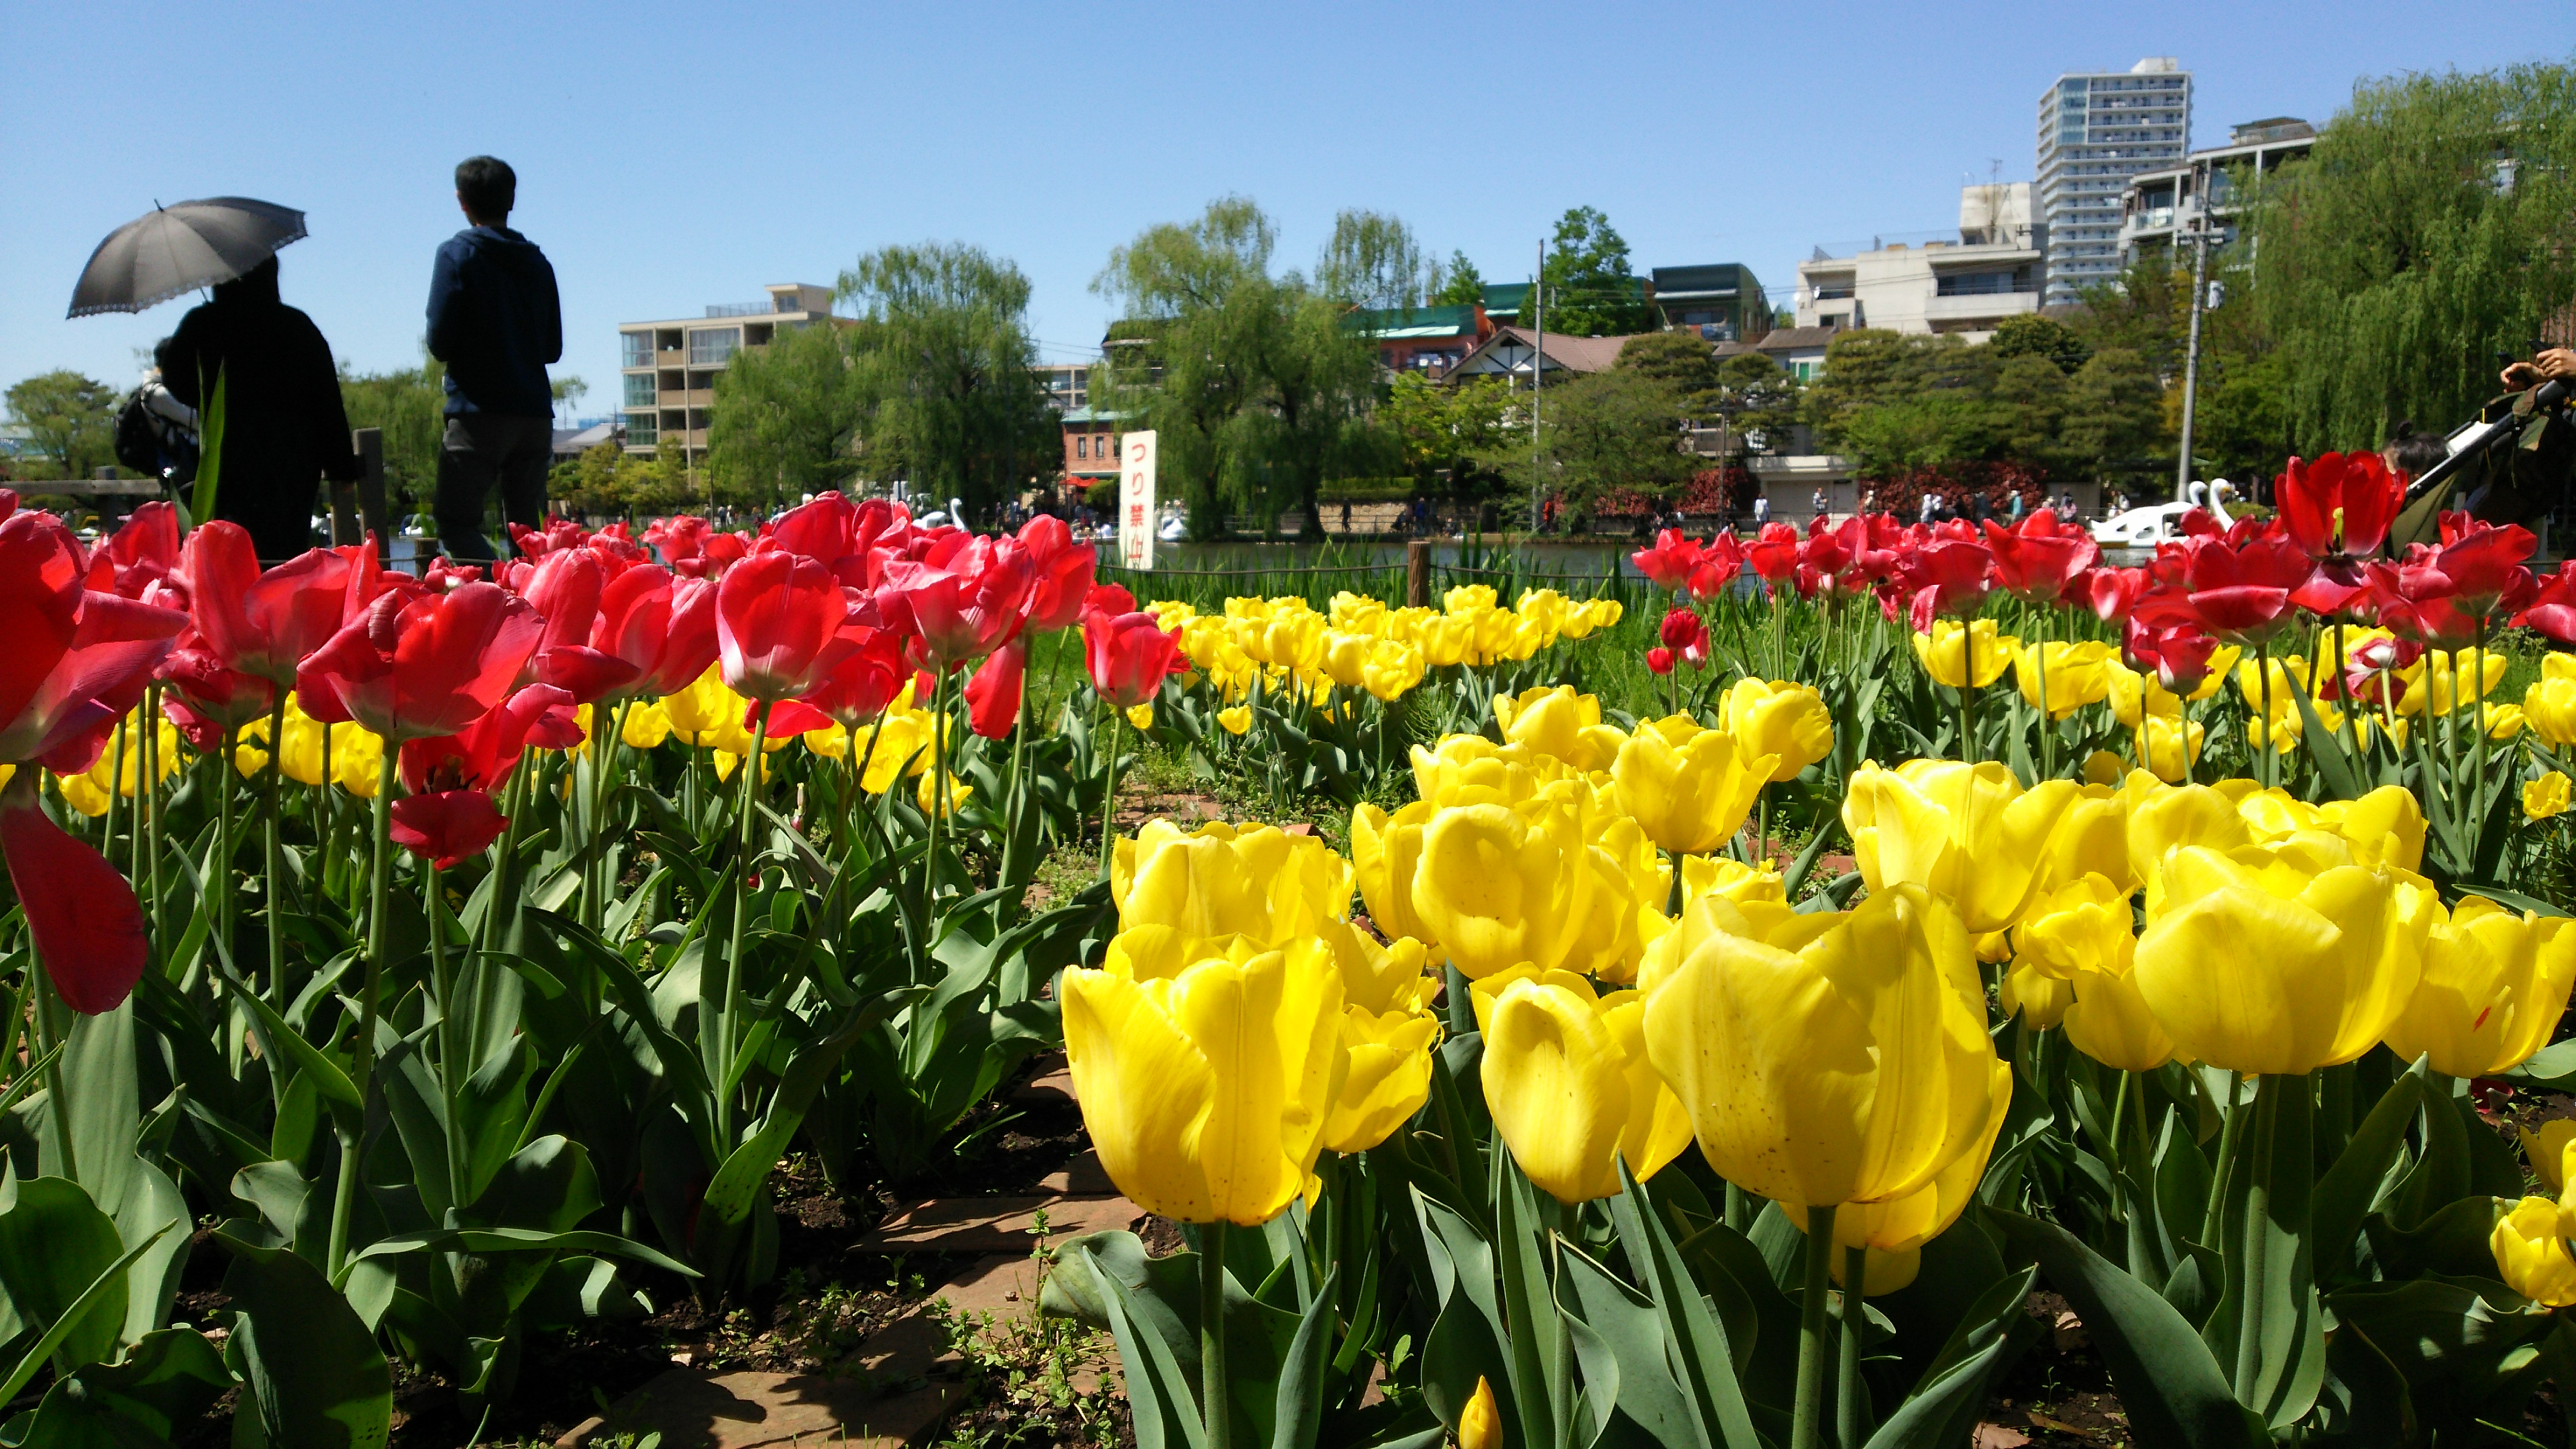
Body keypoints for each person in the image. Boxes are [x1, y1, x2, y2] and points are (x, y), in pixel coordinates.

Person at [157, 255, 360, 561]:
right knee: (285, 554)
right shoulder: (297, 326)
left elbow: (175, 381)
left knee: (230, 554)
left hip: (229, 453)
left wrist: (209, 398)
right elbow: (326, 402)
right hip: (291, 460)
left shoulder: (203, 323)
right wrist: (342, 466)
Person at [427, 156, 562, 563]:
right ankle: (533, 611)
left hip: (477, 413)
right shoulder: (537, 262)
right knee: (529, 537)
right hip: (534, 413)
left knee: (456, 523)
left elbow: (439, 342)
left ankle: (493, 602)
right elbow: (552, 349)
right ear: (512, 199)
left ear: (461, 200)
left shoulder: (456, 256)